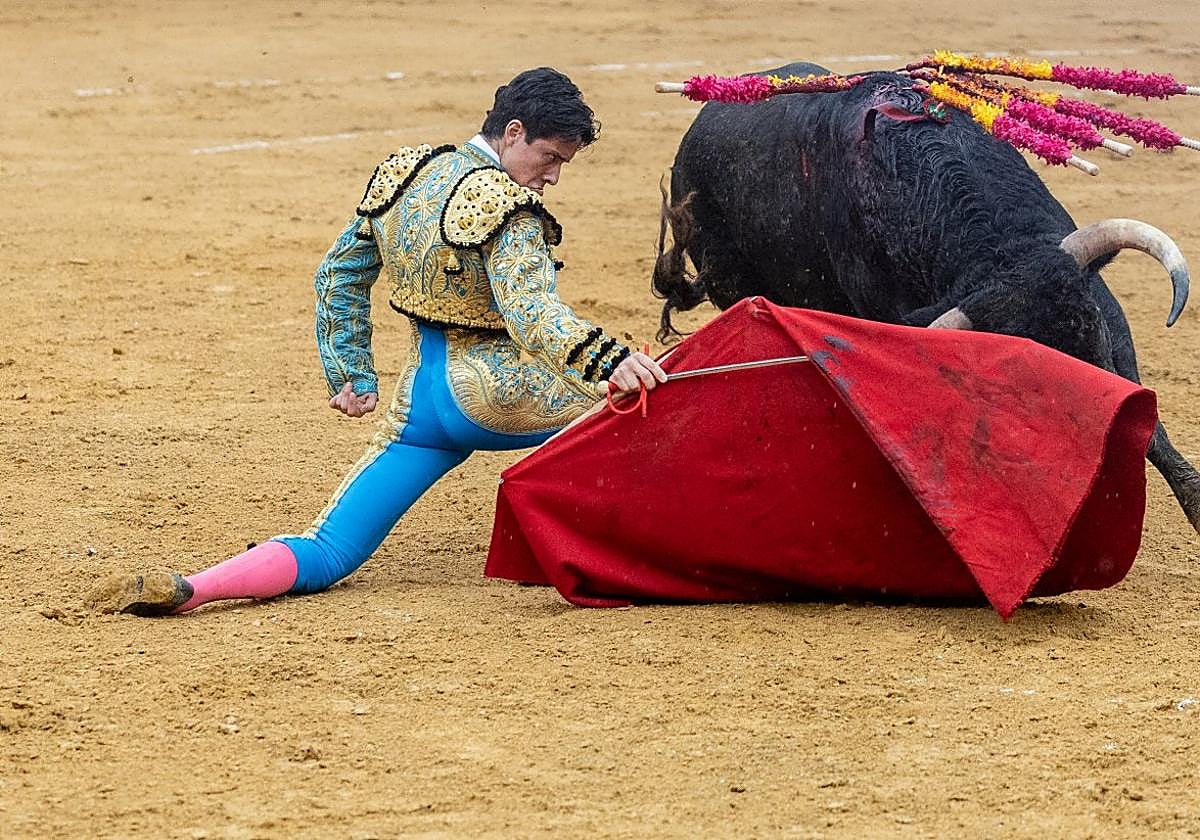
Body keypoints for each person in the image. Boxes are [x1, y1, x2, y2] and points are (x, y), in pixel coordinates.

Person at [88, 67, 665, 616]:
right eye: (551, 157)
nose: (553, 177)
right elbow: (532, 314)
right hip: (500, 395)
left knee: (329, 548)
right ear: (514, 133)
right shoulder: (509, 208)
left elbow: (339, 274)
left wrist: (352, 371)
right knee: (652, 400)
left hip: (423, 407)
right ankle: (642, 557)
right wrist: (610, 362)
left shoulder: (407, 173)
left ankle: (196, 588)